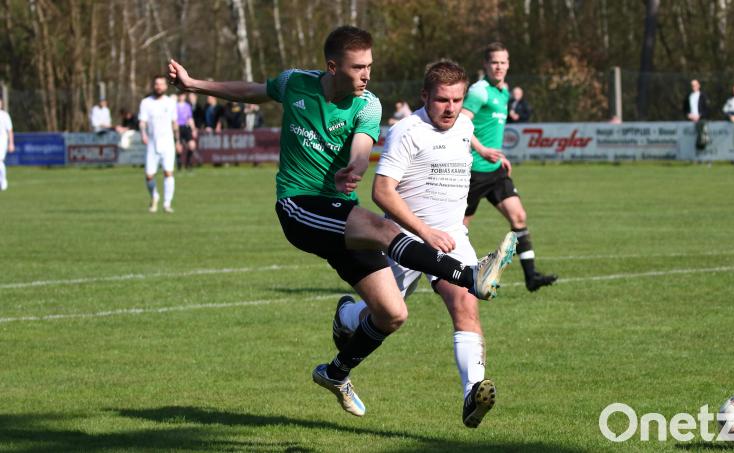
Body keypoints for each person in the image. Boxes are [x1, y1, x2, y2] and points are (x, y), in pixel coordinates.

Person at [168, 25, 516, 418]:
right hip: (300, 206)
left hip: (342, 214)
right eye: (358, 67)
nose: (367, 74)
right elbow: (251, 91)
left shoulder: (368, 105)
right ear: (333, 67)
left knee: (392, 314)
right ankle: (470, 276)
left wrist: (354, 166)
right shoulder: (295, 83)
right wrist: (195, 84)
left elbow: (362, 146)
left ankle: (336, 372)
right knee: (387, 230)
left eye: (370, 65)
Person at [335, 61, 504, 428]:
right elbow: (381, 192)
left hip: (453, 238)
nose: (451, 108)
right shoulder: (406, 132)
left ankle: (472, 394)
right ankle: (346, 316)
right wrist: (425, 231)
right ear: (425, 96)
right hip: (406, 241)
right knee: (384, 314)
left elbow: (465, 134)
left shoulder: (464, 124)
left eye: (457, 99)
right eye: (443, 99)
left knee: (465, 302)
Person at [461, 42, 557, 292]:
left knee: (519, 217)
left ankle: (531, 276)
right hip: (473, 172)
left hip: (495, 171)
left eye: (503, 62)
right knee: (458, 230)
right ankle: (448, 276)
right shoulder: (479, 91)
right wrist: (481, 150)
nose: (499, 66)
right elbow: (461, 124)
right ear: (485, 64)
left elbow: (491, 131)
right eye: (494, 62)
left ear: (508, 64)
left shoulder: (504, 92)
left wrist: (499, 156)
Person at [139, 75, 179, 213]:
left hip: (168, 143)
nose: (159, 86)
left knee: (168, 173)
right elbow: (142, 121)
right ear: (153, 86)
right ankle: (154, 196)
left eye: (161, 84)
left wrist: (178, 140)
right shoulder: (146, 103)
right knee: (149, 175)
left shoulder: (171, 103)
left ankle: (167, 204)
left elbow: (175, 123)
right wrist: (143, 134)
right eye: (157, 84)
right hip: (152, 143)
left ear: (166, 86)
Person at [176, 92, 197, 170]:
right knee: (179, 148)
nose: (181, 96)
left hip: (186, 127)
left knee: (192, 145)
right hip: (177, 128)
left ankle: (188, 163)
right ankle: (179, 164)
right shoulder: (174, 106)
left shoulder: (188, 106)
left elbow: (190, 118)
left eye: (182, 95)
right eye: (180, 95)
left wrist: (193, 129)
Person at [0, 97, 14, 191]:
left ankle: (3, 180)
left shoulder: (5, 115)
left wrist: (11, 143)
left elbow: (10, 130)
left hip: (2, 141)